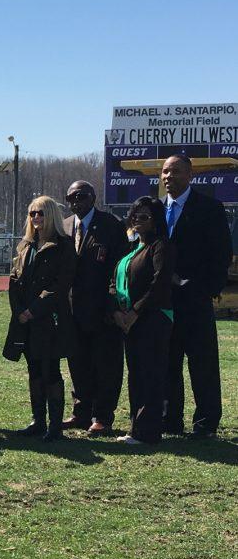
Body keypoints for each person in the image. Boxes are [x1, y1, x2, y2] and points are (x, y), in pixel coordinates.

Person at [160, 154, 233, 439]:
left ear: (190, 175)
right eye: (165, 172)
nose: (168, 177)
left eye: (175, 171)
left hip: (195, 302)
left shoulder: (209, 208)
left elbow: (221, 255)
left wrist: (203, 289)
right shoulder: (154, 210)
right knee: (167, 364)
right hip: (163, 304)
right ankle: (170, 420)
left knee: (202, 365)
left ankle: (205, 424)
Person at [3, 195, 76, 442]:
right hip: (26, 321)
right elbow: (14, 280)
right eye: (32, 213)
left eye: (41, 213)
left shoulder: (64, 246)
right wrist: (19, 311)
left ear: (52, 215)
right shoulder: (26, 246)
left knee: (50, 371)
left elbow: (60, 284)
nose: (36, 218)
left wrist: (34, 309)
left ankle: (55, 425)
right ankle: (38, 420)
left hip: (50, 320)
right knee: (33, 369)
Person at [61, 180, 129, 434]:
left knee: (106, 366)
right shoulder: (65, 226)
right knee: (77, 364)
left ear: (93, 197)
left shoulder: (111, 225)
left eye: (81, 196)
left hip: (103, 311)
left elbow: (118, 269)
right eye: (70, 197)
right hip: (72, 311)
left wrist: (112, 306)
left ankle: (102, 416)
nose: (76, 201)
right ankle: (81, 412)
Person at [110, 197, 175, 445]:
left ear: (156, 220)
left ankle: (148, 433)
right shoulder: (132, 249)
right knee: (136, 375)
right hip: (129, 321)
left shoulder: (162, 246)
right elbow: (113, 282)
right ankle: (135, 429)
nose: (138, 221)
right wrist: (117, 312)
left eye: (145, 217)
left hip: (153, 319)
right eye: (135, 216)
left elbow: (158, 283)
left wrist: (135, 312)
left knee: (150, 375)